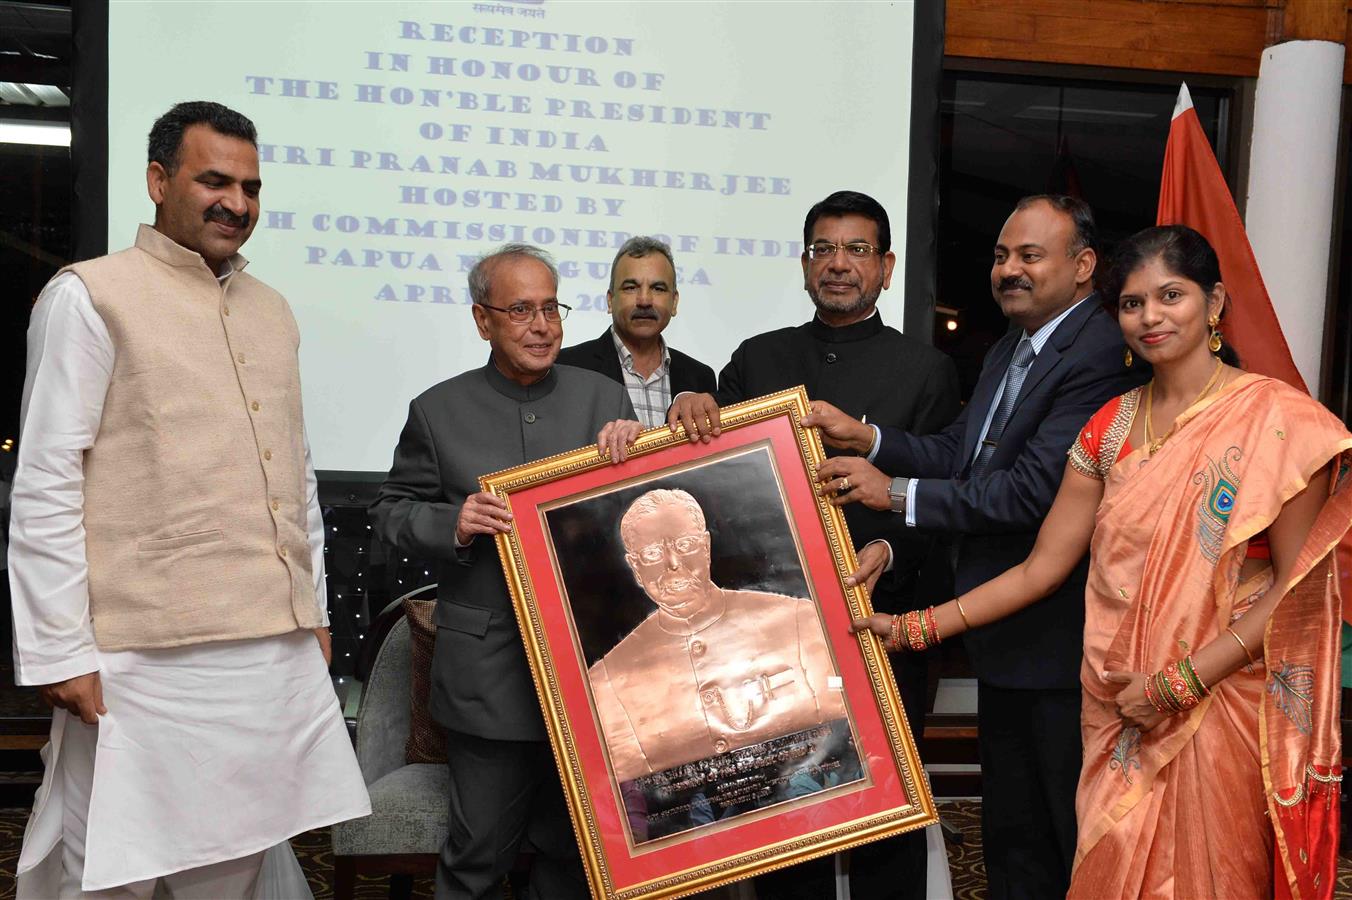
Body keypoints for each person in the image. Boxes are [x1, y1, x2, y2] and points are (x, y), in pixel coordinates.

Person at [851, 224, 1352, 898]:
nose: (1149, 317)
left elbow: (1293, 593)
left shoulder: (1278, 422)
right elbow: (1043, 568)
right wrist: (916, 627)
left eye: (1169, 296)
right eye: (1132, 303)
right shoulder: (1109, 426)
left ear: (1214, 302)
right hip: (1117, 700)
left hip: (1217, 707)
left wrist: (1182, 682)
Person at [9, 101, 370, 897]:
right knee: (109, 870)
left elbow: (294, 474)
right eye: (214, 180)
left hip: (265, 652)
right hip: (139, 658)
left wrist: (310, 611)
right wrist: (60, 649)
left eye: (249, 186)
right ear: (157, 180)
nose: (236, 203)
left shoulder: (272, 310)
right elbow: (46, 480)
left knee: (233, 866)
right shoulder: (89, 297)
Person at [806, 195, 1146, 898]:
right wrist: (864, 437)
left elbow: (1030, 494)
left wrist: (892, 493)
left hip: (1059, 644)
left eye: (1029, 255)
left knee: (1062, 837)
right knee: (1014, 836)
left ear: (1083, 266)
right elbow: (962, 452)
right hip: (1004, 637)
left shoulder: (1100, 355)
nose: (1008, 271)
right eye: (1000, 256)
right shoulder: (1011, 347)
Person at [668, 189, 959, 899]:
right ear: (803, 265)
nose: (838, 264)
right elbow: (709, 479)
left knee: (889, 814)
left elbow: (946, 492)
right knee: (784, 811)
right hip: (773, 632)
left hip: (878, 619)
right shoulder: (757, 360)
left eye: (856, 250)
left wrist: (889, 555)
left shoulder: (927, 371)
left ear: (886, 267)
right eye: (823, 249)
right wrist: (688, 406)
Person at [369, 243, 639, 900]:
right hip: (489, 676)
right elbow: (389, 517)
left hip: (590, 669)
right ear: (482, 320)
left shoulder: (603, 396)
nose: (542, 325)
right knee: (476, 858)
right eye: (521, 310)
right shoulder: (438, 410)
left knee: (575, 857)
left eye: (551, 308)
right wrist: (450, 524)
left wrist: (633, 459)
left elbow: (636, 513)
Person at [588, 488, 848, 781]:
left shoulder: (799, 619)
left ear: (706, 547)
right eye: (652, 554)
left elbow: (843, 733)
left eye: (685, 545)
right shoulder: (606, 680)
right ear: (635, 567)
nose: (673, 563)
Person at [557, 235, 716, 428]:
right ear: (610, 300)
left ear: (674, 302)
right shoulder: (568, 368)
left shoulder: (700, 377)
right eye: (631, 287)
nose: (644, 300)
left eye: (658, 288)